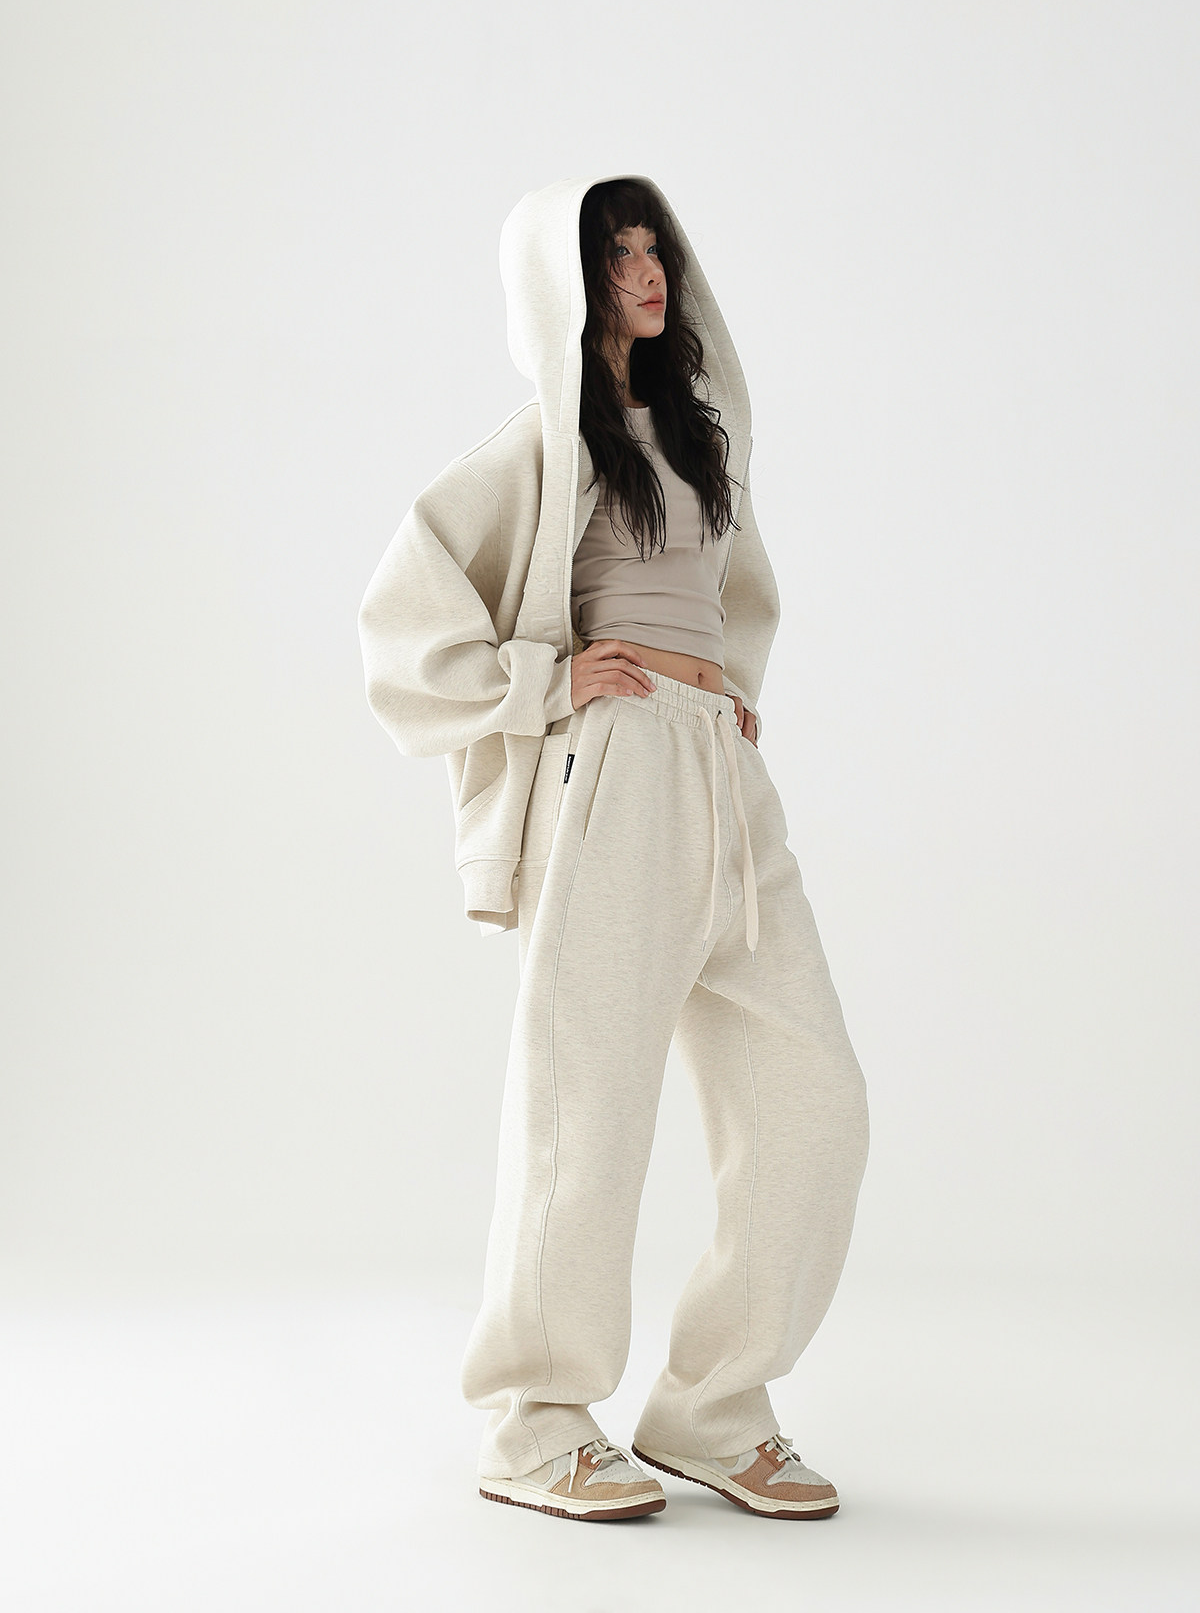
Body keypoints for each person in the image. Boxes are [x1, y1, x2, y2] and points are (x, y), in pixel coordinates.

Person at [357, 174, 870, 1523]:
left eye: (656, 250)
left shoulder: (697, 438)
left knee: (814, 1099)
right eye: (616, 254)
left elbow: (726, 594)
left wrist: (724, 690)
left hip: (723, 777)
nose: (647, 273)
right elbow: (404, 608)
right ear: (566, 284)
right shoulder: (544, 444)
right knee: (585, 1108)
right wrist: (541, 683)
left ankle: (712, 1408)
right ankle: (536, 1421)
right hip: (616, 775)